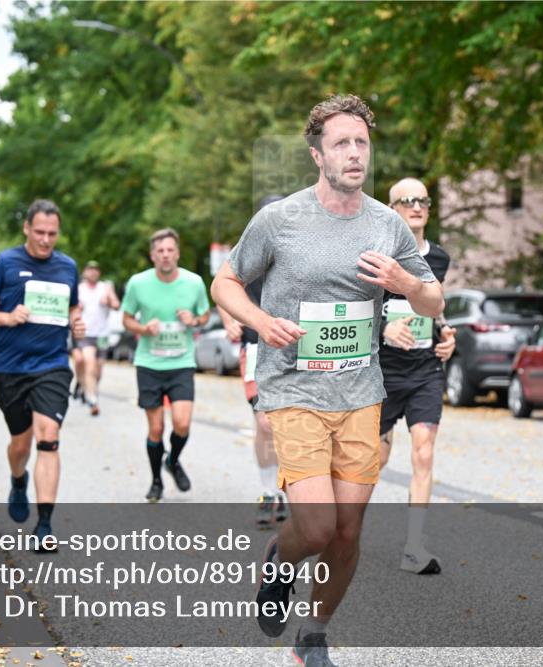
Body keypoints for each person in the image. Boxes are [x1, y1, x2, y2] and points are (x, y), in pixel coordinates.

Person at [211, 94, 444, 665]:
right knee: (314, 528)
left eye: (362, 142)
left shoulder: (388, 224)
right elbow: (225, 282)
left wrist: (406, 282)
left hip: (361, 391)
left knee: (346, 532)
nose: (355, 153)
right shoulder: (280, 220)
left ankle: (313, 634)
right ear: (318, 154)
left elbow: (434, 299)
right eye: (342, 143)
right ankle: (280, 559)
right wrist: (261, 322)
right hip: (294, 389)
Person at [0, 199, 84, 548]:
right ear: (27, 229)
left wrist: (76, 321)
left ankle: (44, 526)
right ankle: (18, 479)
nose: (46, 240)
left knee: (48, 435)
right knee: (21, 443)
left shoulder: (67, 267)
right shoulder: (5, 262)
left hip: (52, 364)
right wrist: (5, 318)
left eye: (52, 233)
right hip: (10, 367)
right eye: (40, 233)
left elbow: (73, 305)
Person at [375, 177, 456, 575]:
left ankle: (413, 547)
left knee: (423, 451)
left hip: (425, 370)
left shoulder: (438, 258)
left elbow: (436, 307)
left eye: (423, 199)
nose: (416, 206)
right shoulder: (377, 256)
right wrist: (383, 330)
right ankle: (341, 534)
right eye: (407, 200)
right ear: (392, 209)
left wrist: (447, 335)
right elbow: (361, 310)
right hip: (384, 373)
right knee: (375, 459)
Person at [122, 228, 210, 502]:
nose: (166, 255)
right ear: (152, 256)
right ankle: (157, 481)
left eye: (170, 250)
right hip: (149, 364)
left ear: (178, 253)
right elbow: (126, 319)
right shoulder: (138, 283)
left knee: (182, 424)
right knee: (157, 428)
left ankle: (172, 460)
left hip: (181, 363)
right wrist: (143, 328)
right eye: (160, 251)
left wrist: (193, 321)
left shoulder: (194, 283)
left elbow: (205, 315)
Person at [219, 195, 288, 527]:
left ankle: (288, 488)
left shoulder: (302, 247)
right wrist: (227, 318)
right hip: (256, 344)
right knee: (264, 422)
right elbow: (222, 286)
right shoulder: (247, 246)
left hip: (293, 346)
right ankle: (268, 492)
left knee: (289, 421)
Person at [73, 260, 120, 416]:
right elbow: (71, 308)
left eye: (96, 269)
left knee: (98, 369)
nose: (93, 272)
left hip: (102, 334)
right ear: (85, 272)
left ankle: (88, 387)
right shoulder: (79, 289)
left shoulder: (105, 288)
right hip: (86, 333)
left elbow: (116, 305)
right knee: (89, 364)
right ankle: (92, 399)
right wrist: (77, 308)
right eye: (90, 269)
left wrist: (109, 300)